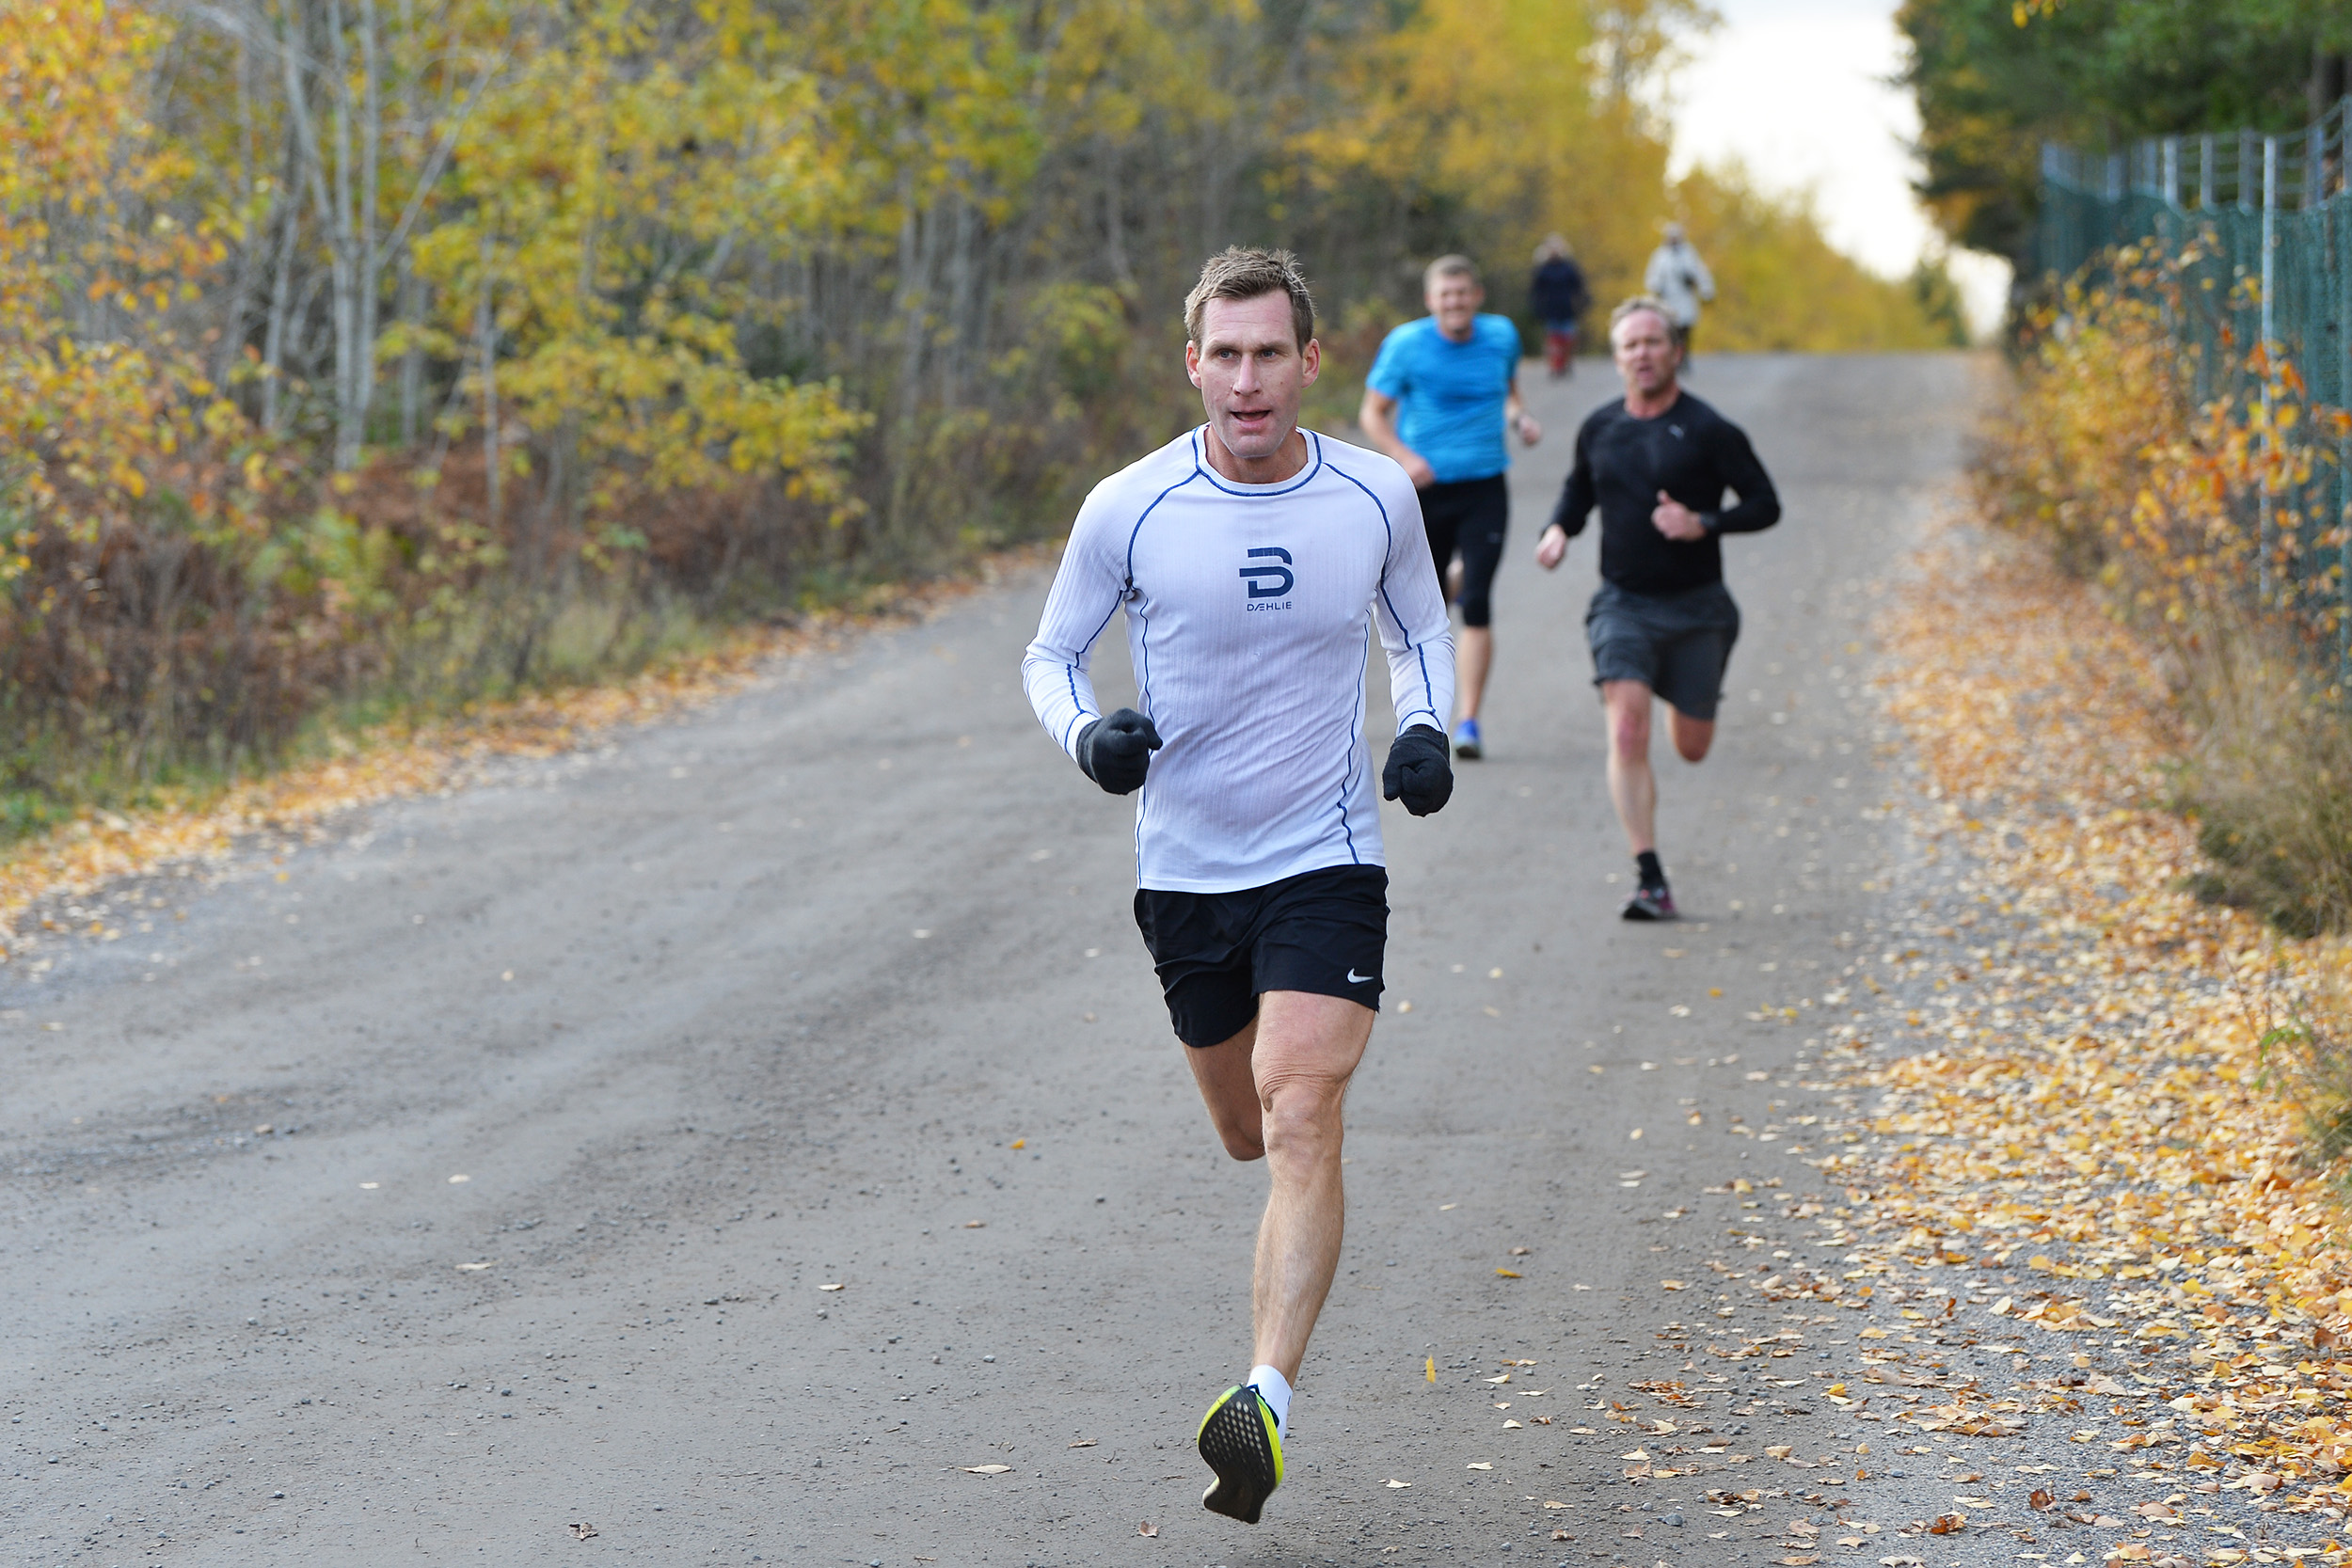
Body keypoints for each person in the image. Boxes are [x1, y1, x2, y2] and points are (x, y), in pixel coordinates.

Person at [1022, 246, 1457, 1525]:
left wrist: (1425, 724)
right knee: (1247, 1129)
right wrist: (1089, 734)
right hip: (1186, 876)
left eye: (1273, 352)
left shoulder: (1373, 496)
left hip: (1327, 854)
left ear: (1312, 362)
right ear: (1194, 363)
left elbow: (1422, 627)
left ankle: (1262, 1395)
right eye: (1228, 353)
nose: (1250, 377)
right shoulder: (1131, 506)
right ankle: (1269, 1345)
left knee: (1303, 1103)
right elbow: (1050, 653)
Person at [1534, 295, 1779, 920]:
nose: (1641, 354)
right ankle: (1649, 875)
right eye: (1629, 345)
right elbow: (1579, 489)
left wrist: (1703, 521)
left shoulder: (1709, 430)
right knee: (1627, 726)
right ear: (1617, 359)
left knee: (1692, 746)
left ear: (1675, 351)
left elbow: (1763, 502)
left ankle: (1678, 691)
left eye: (1652, 342)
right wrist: (1560, 528)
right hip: (1624, 604)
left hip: (1701, 608)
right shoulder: (1600, 426)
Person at [1357, 254, 1539, 760]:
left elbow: (1507, 389)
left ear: (1476, 296)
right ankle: (1419, 712)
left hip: (1484, 487)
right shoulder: (1407, 345)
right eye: (1445, 295)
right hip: (1425, 492)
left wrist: (1520, 416)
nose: (1455, 303)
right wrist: (1405, 458)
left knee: (1477, 603)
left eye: (1463, 293)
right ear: (1431, 300)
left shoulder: (1501, 336)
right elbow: (1372, 413)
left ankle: (1469, 721)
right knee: (1424, 612)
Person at [1643, 222, 1716, 360]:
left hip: (1685, 298)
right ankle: (1672, 357)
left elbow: (1700, 273)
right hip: (1668, 299)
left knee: (1685, 329)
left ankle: (1684, 356)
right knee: (1670, 329)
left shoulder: (1689, 254)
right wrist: (1655, 288)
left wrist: (1707, 291)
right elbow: (1653, 275)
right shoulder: (1660, 256)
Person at [1530, 234, 1590, 380]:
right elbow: (1536, 290)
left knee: (1567, 339)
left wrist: (1583, 302)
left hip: (1567, 309)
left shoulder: (1569, 267)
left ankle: (1566, 364)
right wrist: (1537, 306)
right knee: (1553, 341)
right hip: (1550, 310)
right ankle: (1555, 366)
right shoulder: (1543, 269)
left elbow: (1579, 286)